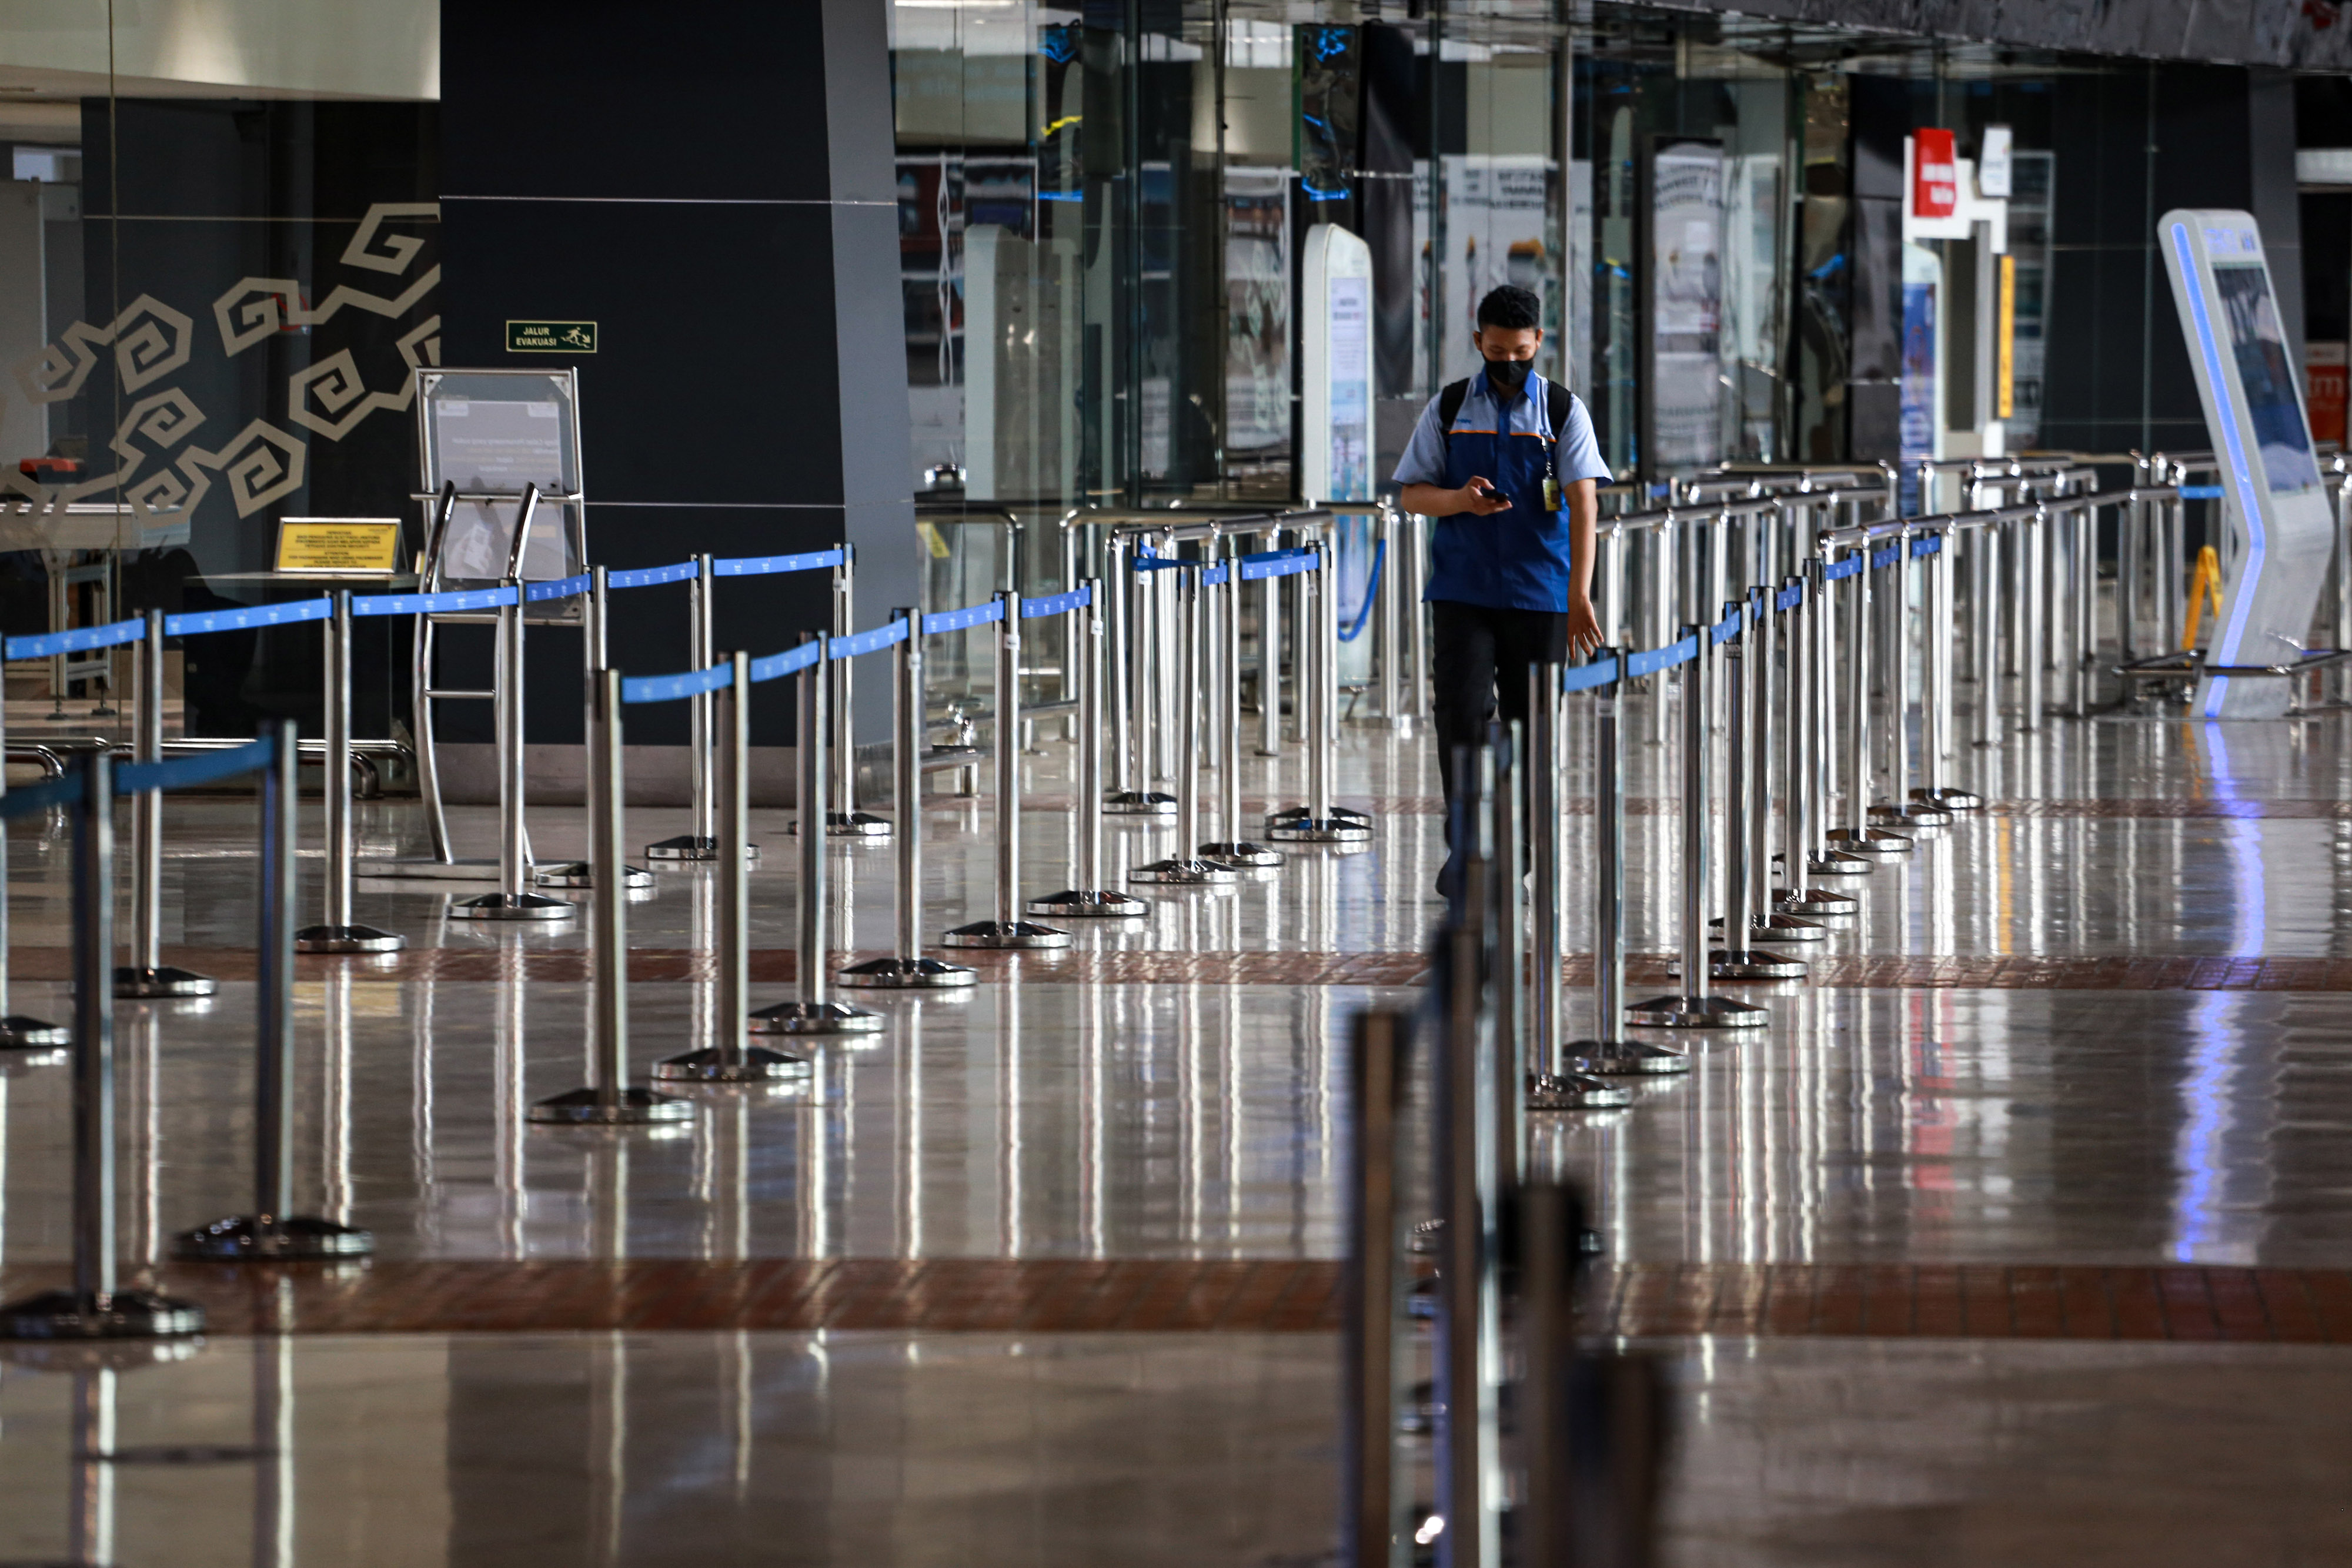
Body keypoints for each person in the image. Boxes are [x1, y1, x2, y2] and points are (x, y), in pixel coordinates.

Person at [1392, 283, 1610, 897]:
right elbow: (1411, 494)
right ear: (1477, 343)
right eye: (1495, 351)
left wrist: (1579, 595)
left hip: (1539, 595)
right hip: (1463, 590)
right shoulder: (1451, 407)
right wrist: (1460, 500)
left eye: (1520, 350)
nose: (1509, 363)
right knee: (1459, 719)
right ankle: (1466, 848)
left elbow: (1583, 504)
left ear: (1539, 341)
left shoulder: (1563, 412)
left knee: (1529, 728)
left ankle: (1513, 851)